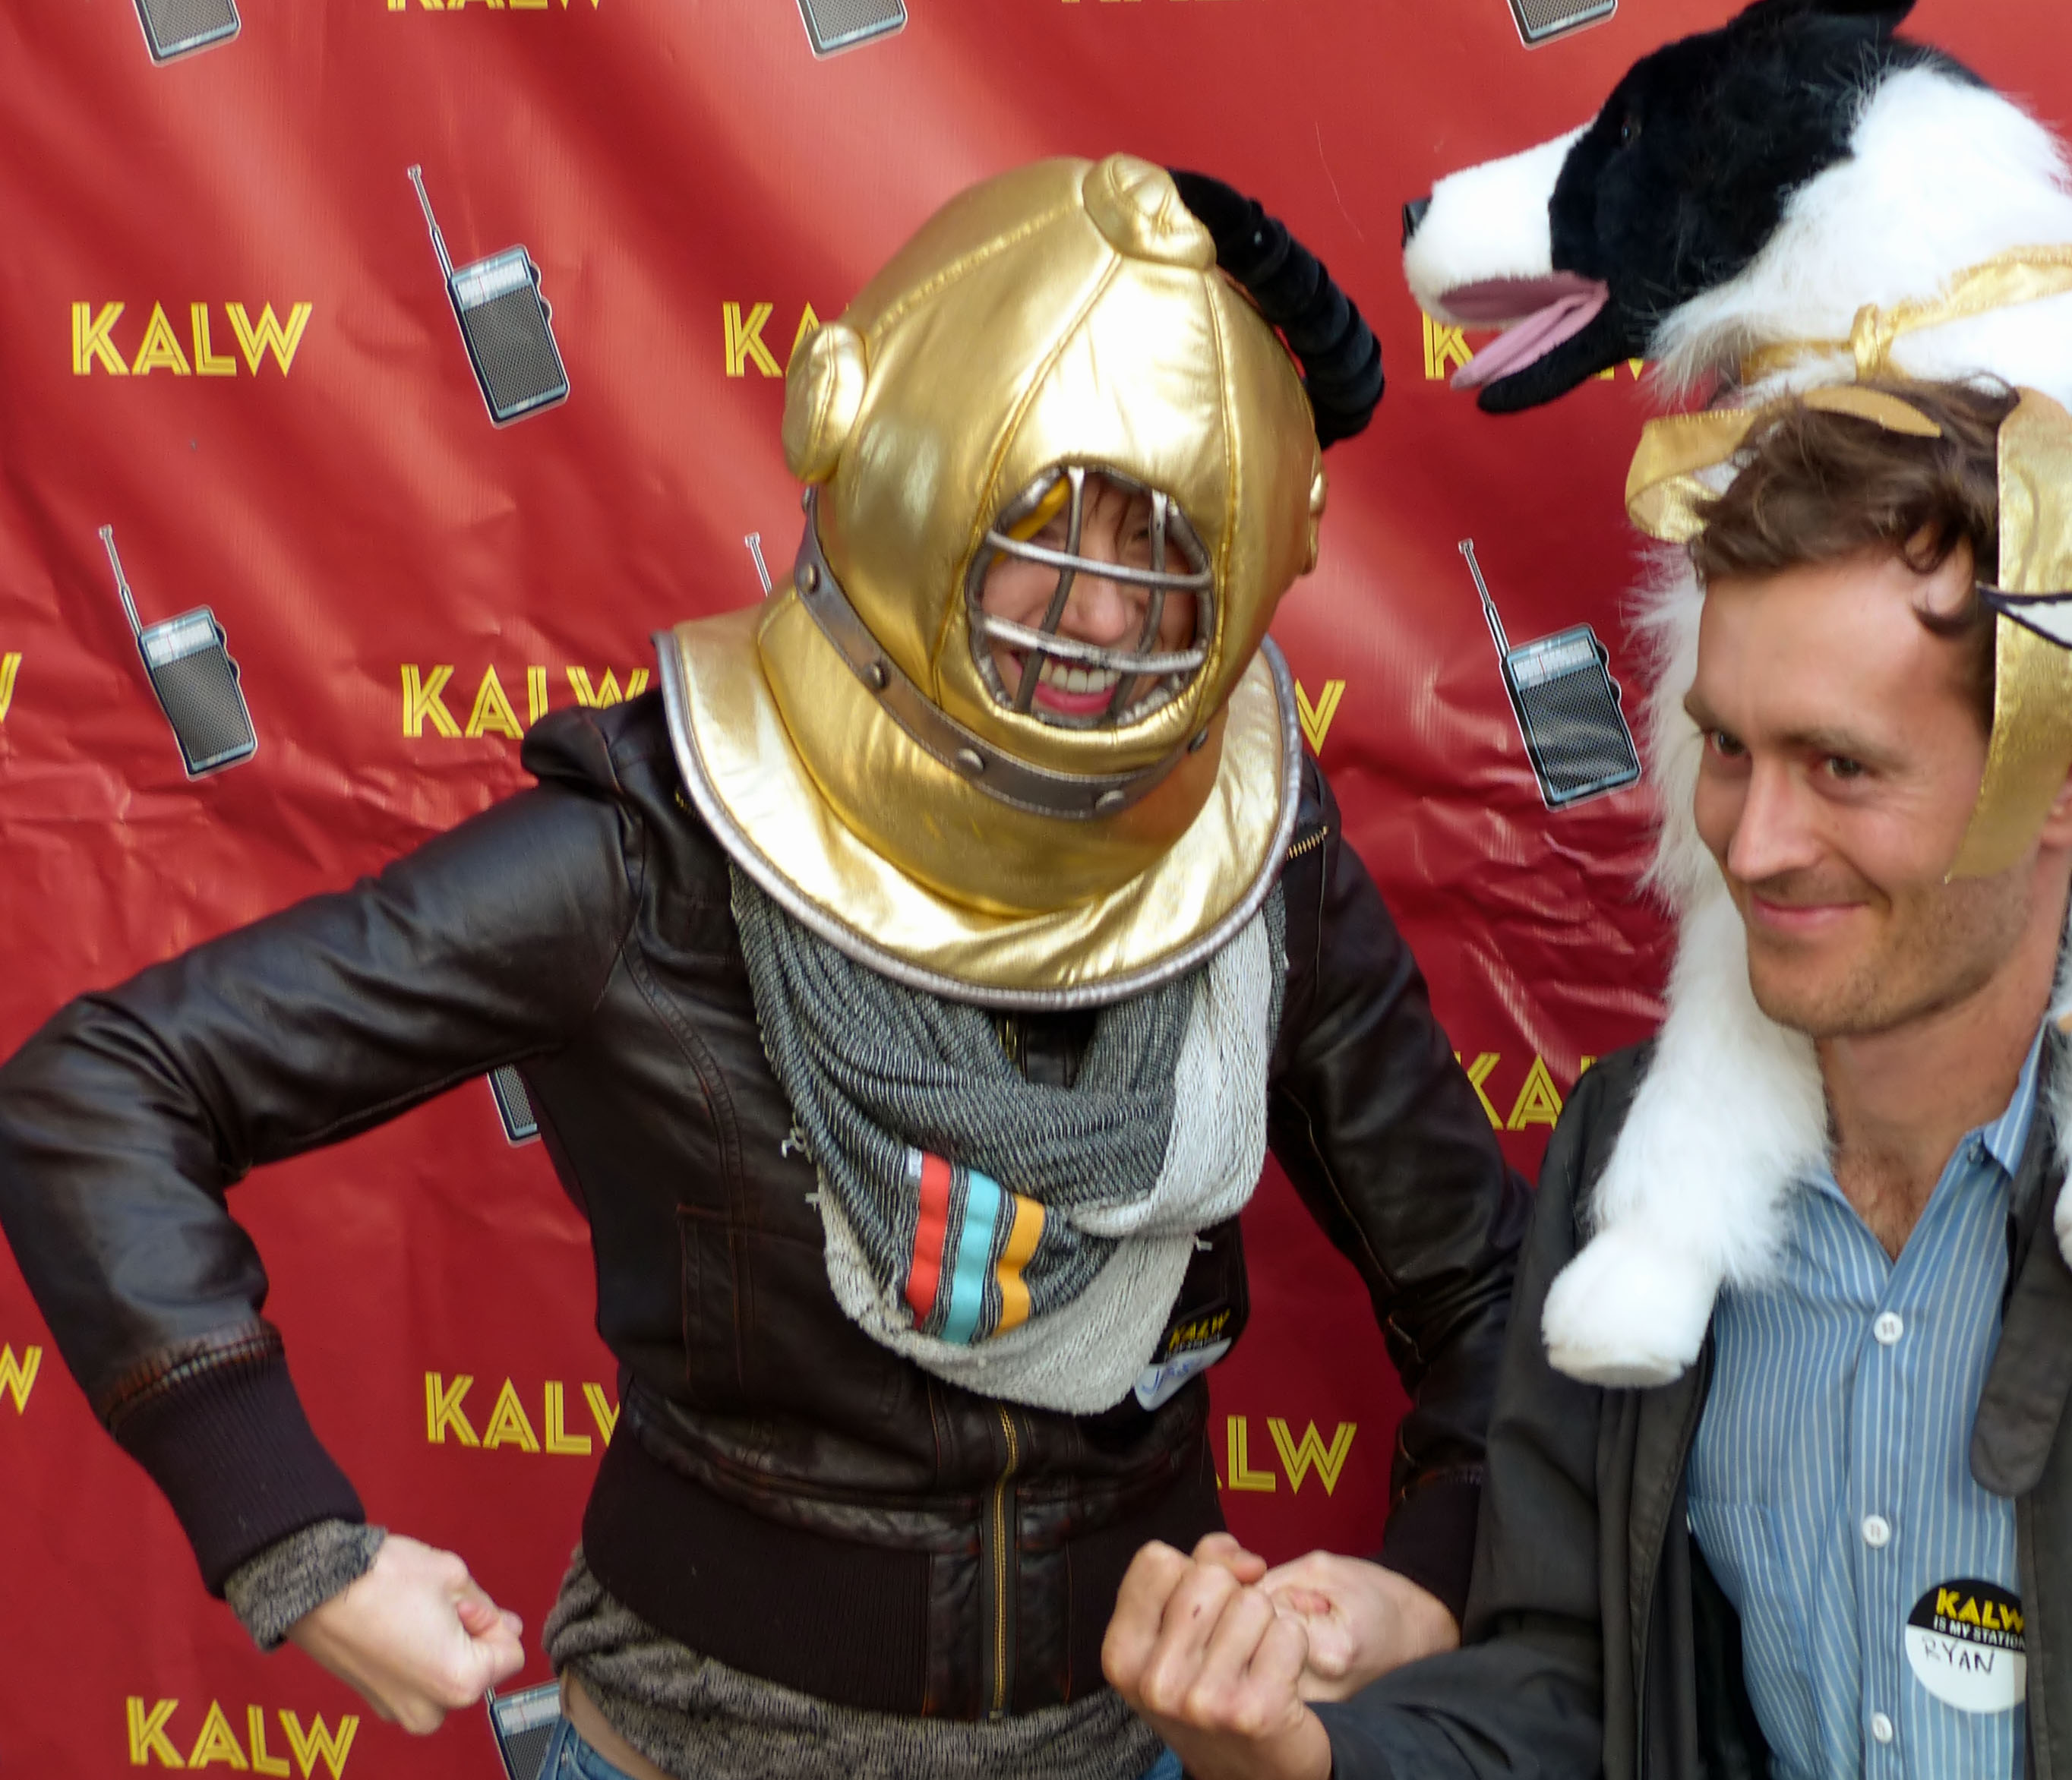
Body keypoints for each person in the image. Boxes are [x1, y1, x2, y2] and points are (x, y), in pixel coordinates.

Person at [0, 154, 1526, 1780]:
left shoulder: (1254, 857)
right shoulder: (653, 851)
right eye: (1041, 527)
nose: (1096, 619)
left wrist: (1430, 1579)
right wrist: (293, 1541)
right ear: (908, 475)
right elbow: (103, 1089)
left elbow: (1481, 1286)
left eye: (1159, 551)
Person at [1104, 380, 2072, 1778]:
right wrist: (1314, 1756)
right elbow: (1572, 1683)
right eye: (1729, 748)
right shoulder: (1634, 1162)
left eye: (1843, 766)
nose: (1751, 845)